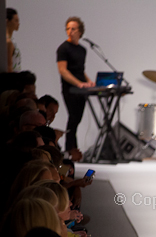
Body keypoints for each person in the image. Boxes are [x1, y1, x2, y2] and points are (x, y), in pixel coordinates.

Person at [56, 16, 94, 159]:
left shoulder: (83, 50)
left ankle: (73, 150)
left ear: (80, 31)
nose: (70, 31)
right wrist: (78, 83)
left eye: (73, 29)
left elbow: (80, 70)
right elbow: (63, 70)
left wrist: (89, 81)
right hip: (70, 89)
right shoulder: (63, 48)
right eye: (68, 29)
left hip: (81, 88)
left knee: (77, 119)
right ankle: (69, 151)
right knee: (73, 118)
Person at [6, 8, 20, 72]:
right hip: (12, 79)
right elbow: (9, 66)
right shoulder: (8, 42)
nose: (18, 23)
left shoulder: (11, 41)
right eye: (16, 20)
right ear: (7, 21)